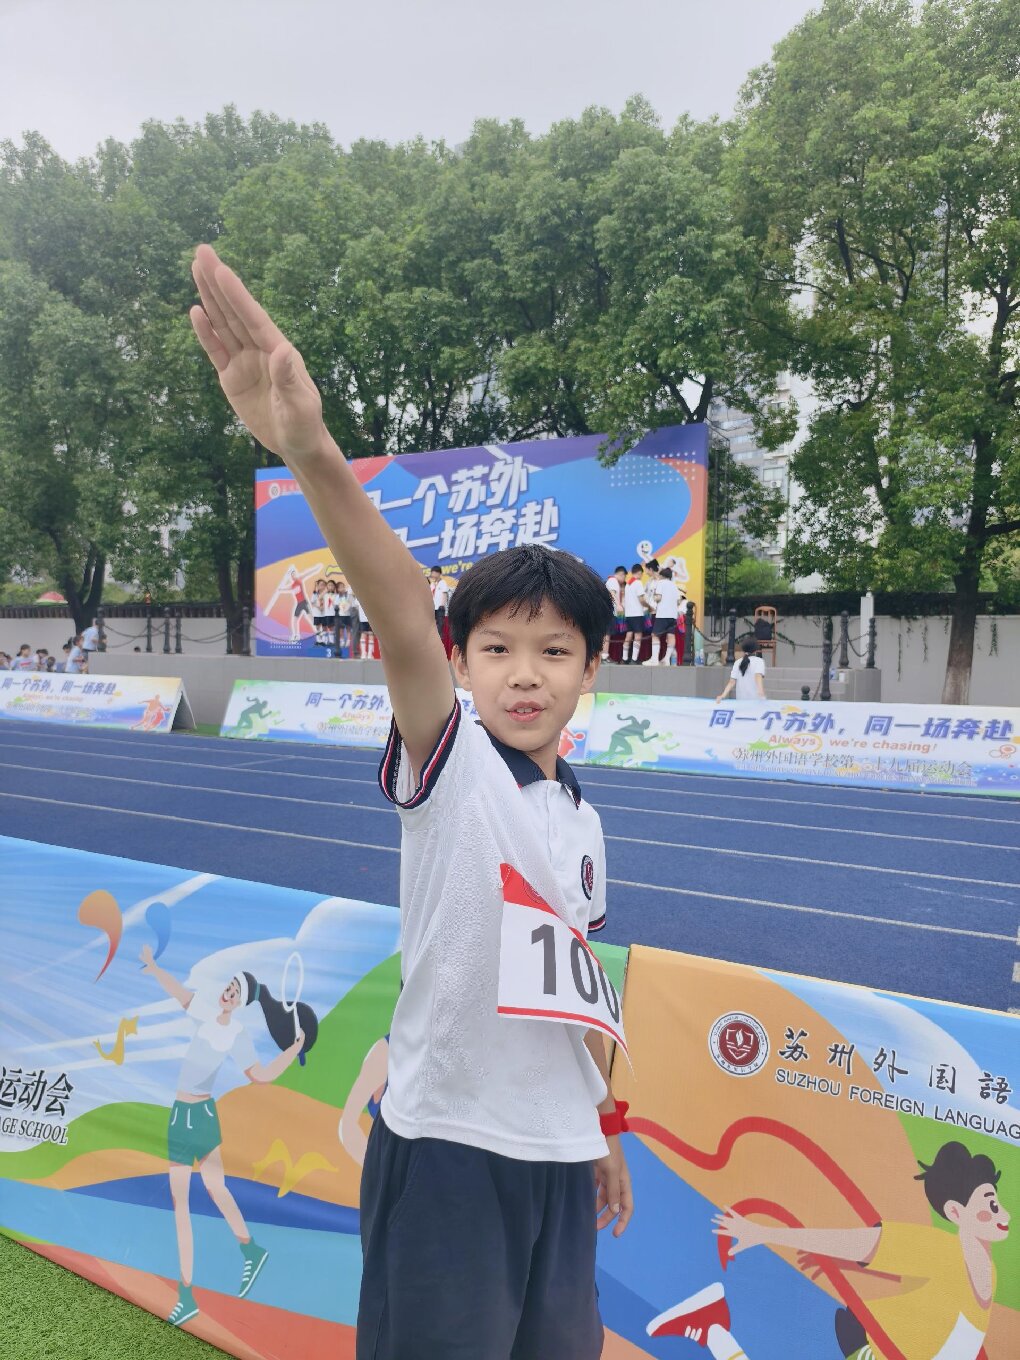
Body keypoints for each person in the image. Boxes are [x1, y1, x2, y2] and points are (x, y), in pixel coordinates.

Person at [189, 244, 632, 1360]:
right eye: (497, 648)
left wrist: (604, 1125)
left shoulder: (584, 822)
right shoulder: (451, 761)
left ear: (591, 671)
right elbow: (395, 605)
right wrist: (310, 450)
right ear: (461, 662)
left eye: (554, 651)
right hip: (447, 1152)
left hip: (560, 1155)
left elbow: (578, 990)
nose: (524, 674)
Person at [648, 1141, 1009, 1360]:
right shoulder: (940, 1251)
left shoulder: (988, 1272)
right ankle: (713, 1326)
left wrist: (844, 1266)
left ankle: (714, 1328)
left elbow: (927, 1298)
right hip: (871, 1345)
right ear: (956, 1213)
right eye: (991, 1205)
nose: (1003, 1215)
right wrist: (765, 1233)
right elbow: (858, 1242)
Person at [140, 945, 316, 1328]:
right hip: (179, 1116)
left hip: (201, 1116)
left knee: (209, 1192)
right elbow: (180, 993)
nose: (228, 993)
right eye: (229, 987)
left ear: (240, 1003)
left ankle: (242, 1255)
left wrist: (295, 1049)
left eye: (235, 993)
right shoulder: (204, 1010)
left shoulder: (237, 1035)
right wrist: (154, 967)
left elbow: (262, 1075)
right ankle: (197, 1287)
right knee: (187, 1200)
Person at [643, 566, 681, 667]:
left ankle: (654, 659)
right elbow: (678, 601)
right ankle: (666, 659)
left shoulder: (660, 583)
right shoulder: (674, 585)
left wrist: (654, 598)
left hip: (663, 614)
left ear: (662, 575)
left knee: (655, 635)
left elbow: (658, 597)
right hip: (673, 615)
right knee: (671, 635)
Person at [621, 562, 647, 664]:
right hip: (637, 613)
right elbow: (641, 599)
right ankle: (634, 659)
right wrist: (649, 606)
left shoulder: (628, 584)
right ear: (639, 572)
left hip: (629, 614)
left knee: (628, 635)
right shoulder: (638, 583)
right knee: (638, 636)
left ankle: (624, 658)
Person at [602, 566, 627, 661]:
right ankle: (604, 656)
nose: (624, 579)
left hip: (610, 611)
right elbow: (612, 593)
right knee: (607, 634)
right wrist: (619, 605)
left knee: (607, 634)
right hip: (609, 612)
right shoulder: (613, 581)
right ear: (621, 574)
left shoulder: (612, 581)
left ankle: (605, 655)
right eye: (624, 576)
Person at [429, 565, 451, 637]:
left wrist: (442, 605)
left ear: (439, 573)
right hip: (433, 608)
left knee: (440, 625)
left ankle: (439, 639)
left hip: (440, 608)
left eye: (434, 572)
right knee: (433, 625)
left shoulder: (443, 583)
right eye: (432, 573)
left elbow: (444, 594)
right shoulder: (432, 584)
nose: (432, 574)